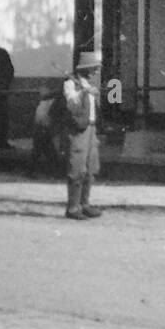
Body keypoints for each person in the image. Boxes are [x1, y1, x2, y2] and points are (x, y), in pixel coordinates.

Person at [64, 52, 102, 220]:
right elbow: (71, 104)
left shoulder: (90, 84)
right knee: (77, 168)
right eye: (93, 68)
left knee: (91, 167)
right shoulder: (70, 84)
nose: (96, 72)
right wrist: (83, 92)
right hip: (79, 130)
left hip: (91, 128)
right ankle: (73, 207)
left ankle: (84, 204)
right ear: (85, 69)